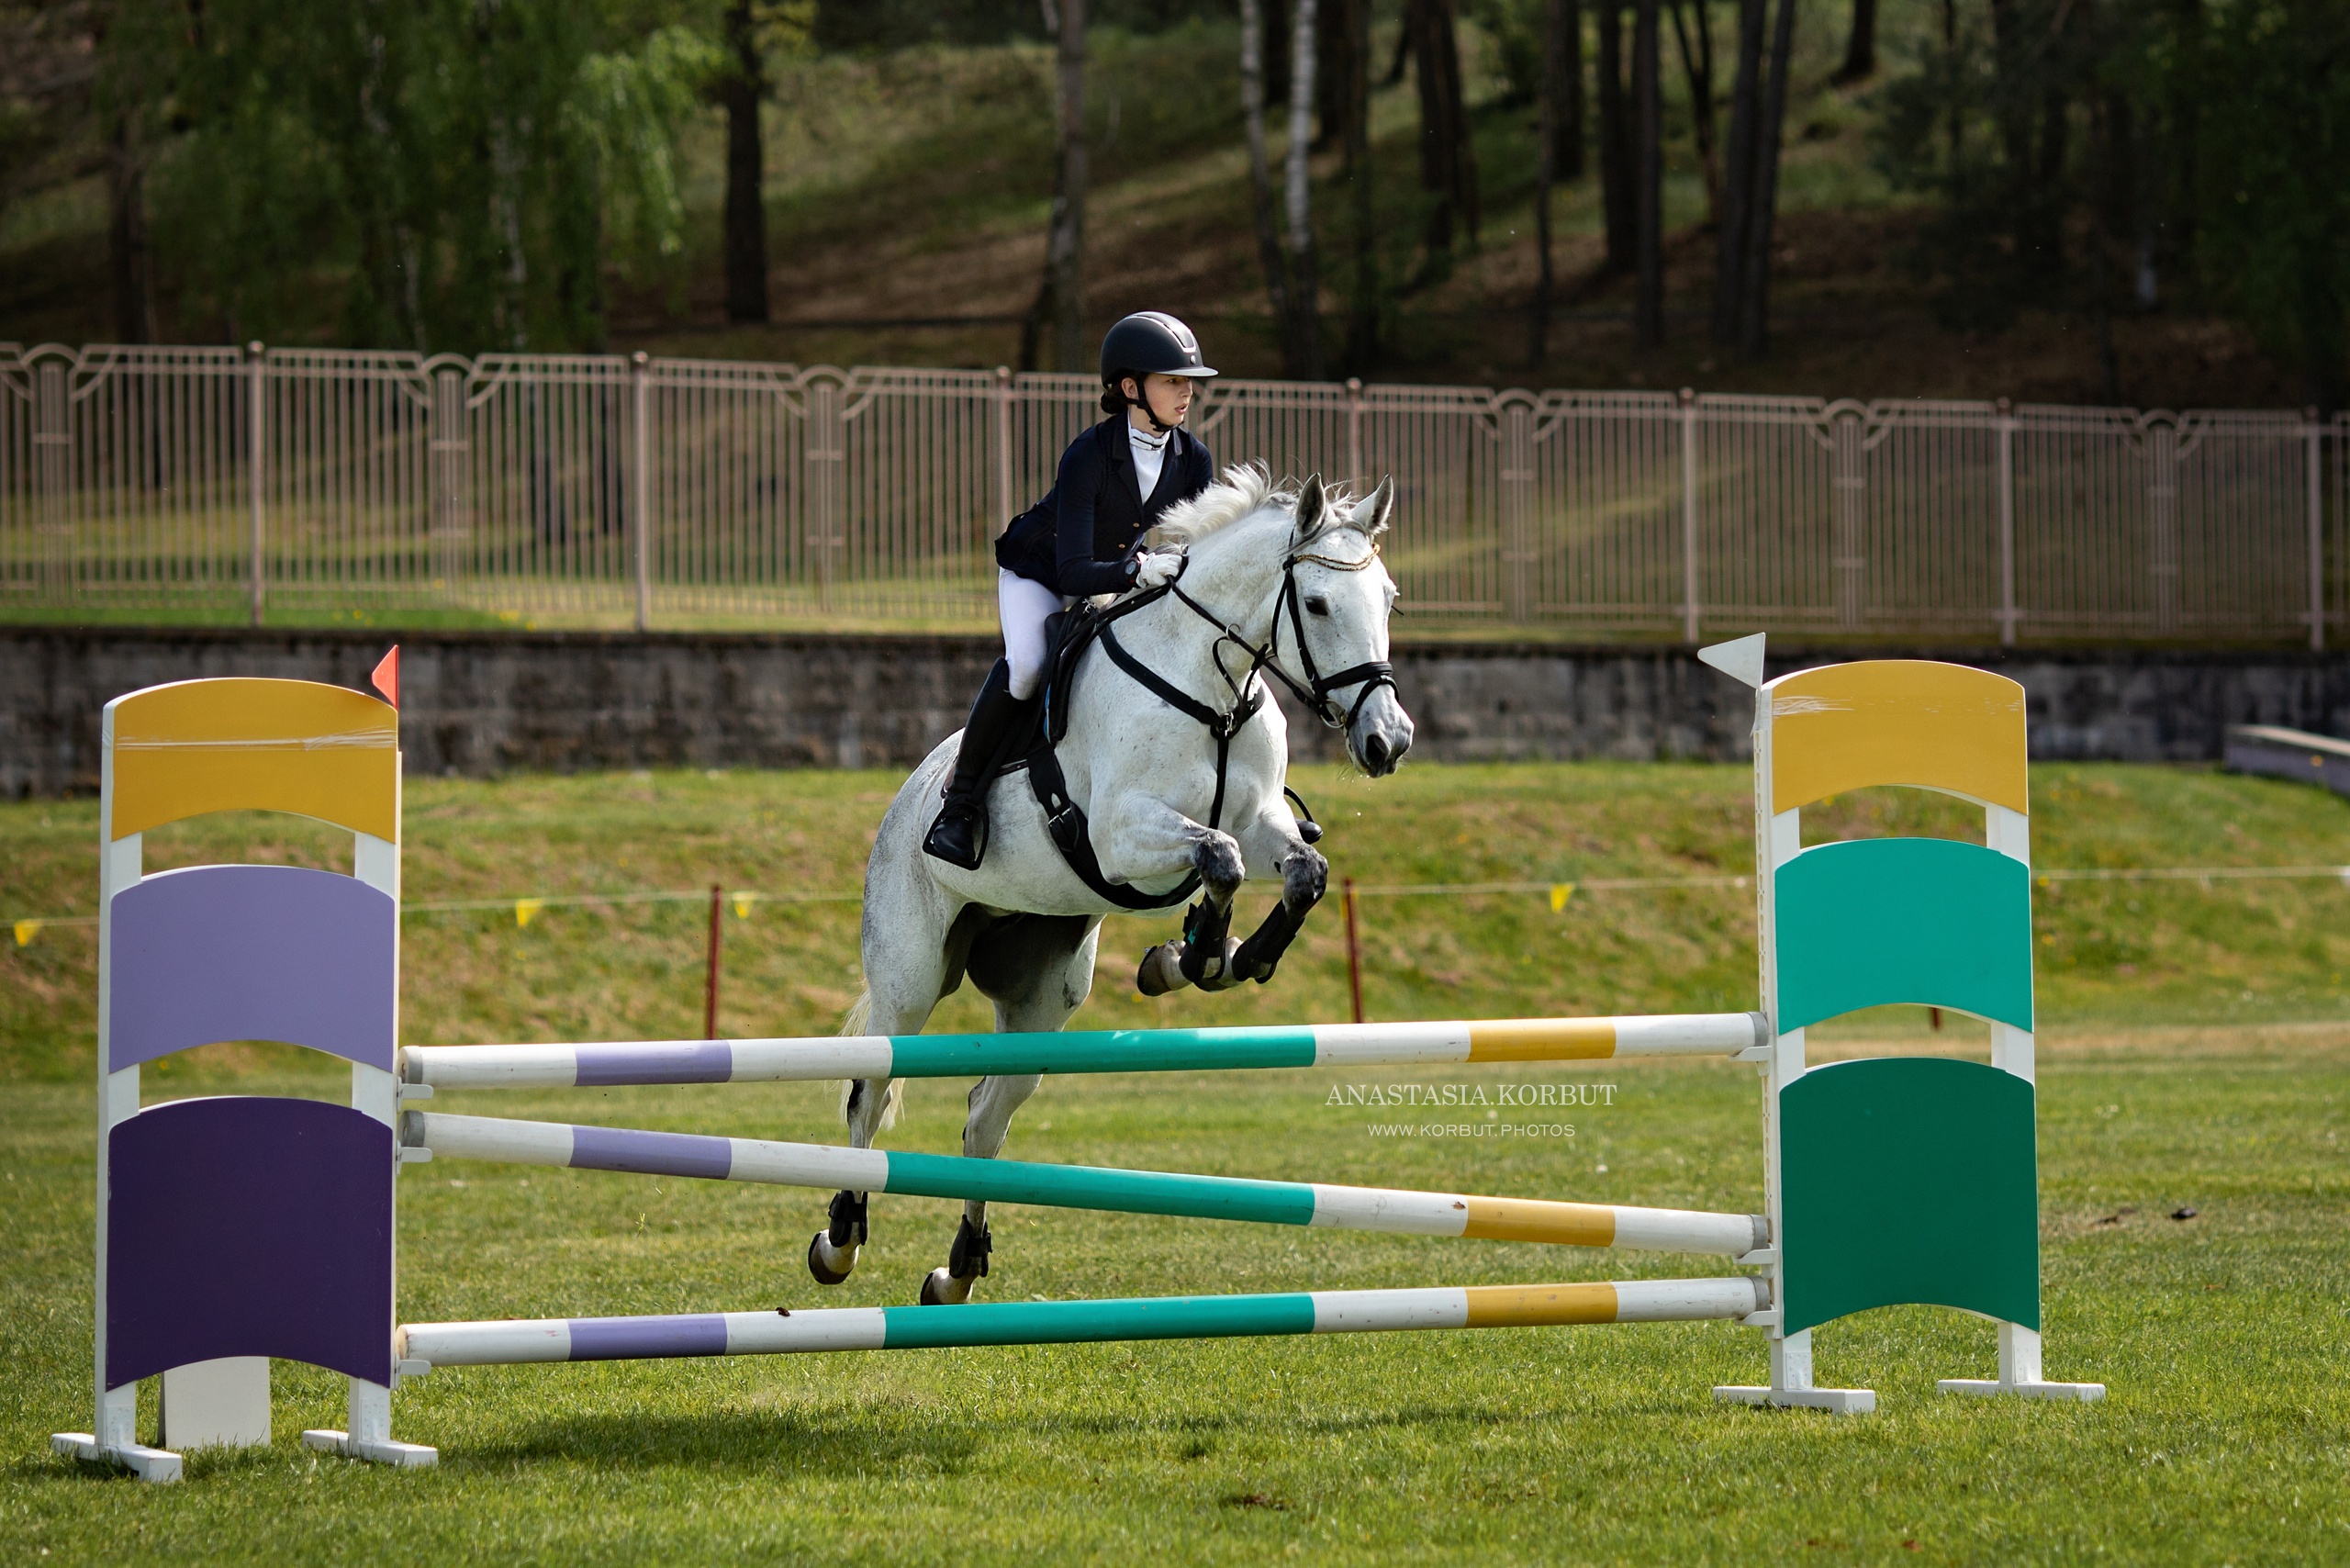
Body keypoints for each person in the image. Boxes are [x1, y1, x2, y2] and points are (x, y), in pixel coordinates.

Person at [923, 310, 1221, 868]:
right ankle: (959, 807)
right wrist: (1136, 572)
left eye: (1189, 382)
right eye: (1172, 381)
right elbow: (1073, 573)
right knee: (1029, 667)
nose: (1187, 393)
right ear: (1130, 389)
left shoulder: (1192, 458)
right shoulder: (1089, 454)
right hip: (1042, 572)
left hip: (1111, 572)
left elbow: (1201, 551)